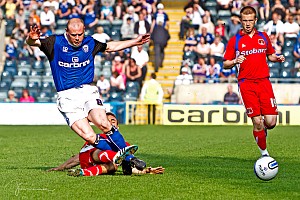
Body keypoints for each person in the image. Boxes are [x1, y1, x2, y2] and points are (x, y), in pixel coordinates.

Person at [26, 18, 150, 156]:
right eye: (74, 35)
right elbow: (34, 42)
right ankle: (125, 157)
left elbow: (111, 47)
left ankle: (129, 159)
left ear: (84, 30)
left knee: (104, 124)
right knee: (90, 137)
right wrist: (31, 39)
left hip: (88, 91)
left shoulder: (90, 42)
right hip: (67, 96)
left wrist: (134, 42)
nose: (78, 38)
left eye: (80, 34)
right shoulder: (54, 42)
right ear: (66, 32)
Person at [223, 6, 285, 157]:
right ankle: (264, 154)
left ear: (255, 20)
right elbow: (225, 63)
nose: (248, 24)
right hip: (246, 83)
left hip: (264, 82)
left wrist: (276, 58)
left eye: (250, 20)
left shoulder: (263, 37)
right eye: (245, 21)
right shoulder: (235, 40)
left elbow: (270, 55)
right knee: (257, 121)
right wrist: (235, 60)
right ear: (241, 21)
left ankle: (262, 132)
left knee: (270, 122)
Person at [48, 112, 163, 176]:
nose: (110, 123)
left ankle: (83, 173)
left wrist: (147, 170)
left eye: (113, 121)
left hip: (96, 168)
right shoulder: (96, 138)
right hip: (90, 156)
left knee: (113, 167)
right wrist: (60, 167)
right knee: (104, 152)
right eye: (107, 121)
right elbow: (76, 159)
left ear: (117, 127)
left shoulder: (125, 145)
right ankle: (122, 157)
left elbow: (131, 170)